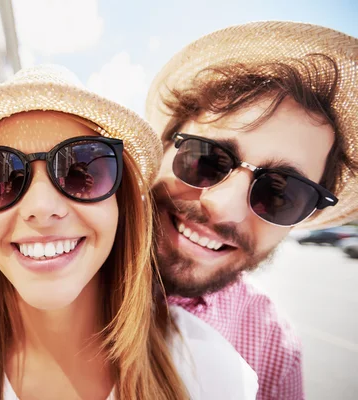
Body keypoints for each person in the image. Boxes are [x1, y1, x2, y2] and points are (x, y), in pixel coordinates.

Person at [0, 65, 258, 399]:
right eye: (0, 178)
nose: (40, 206)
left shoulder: (216, 375)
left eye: (81, 171)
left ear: (122, 203)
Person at [145, 21, 358, 400]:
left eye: (281, 194)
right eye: (206, 159)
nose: (224, 209)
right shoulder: (49, 267)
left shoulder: (273, 348)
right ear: (163, 149)